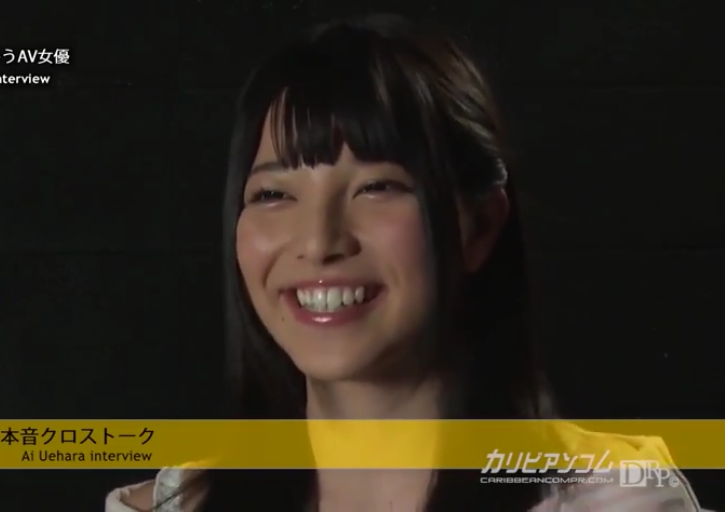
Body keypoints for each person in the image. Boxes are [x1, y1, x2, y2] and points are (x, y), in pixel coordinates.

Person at [107, 13, 705, 512]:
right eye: (273, 194)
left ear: (480, 225)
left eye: (377, 187)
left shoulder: (610, 500)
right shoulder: (168, 506)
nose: (318, 241)